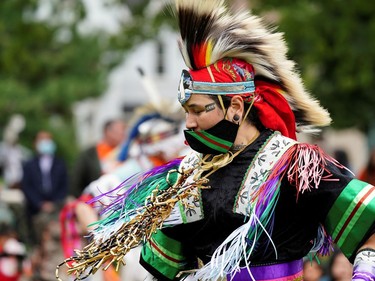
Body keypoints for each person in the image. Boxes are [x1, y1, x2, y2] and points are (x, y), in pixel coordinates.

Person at [58, 1, 375, 281]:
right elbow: (165, 271)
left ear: (236, 107)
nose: (189, 122)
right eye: (186, 111)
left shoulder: (297, 165)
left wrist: (365, 272)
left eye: (198, 110)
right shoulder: (184, 177)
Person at [21, 130, 68, 280]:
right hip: (35, 211)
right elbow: (26, 186)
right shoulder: (29, 165)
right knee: (38, 243)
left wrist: (54, 204)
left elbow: (64, 186)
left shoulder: (60, 164)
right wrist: (39, 204)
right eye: (42, 140)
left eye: (48, 140)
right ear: (35, 143)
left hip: (56, 210)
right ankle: (37, 269)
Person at [69, 119, 126, 198]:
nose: (123, 134)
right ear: (108, 132)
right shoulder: (89, 154)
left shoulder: (125, 153)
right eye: (120, 131)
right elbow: (76, 181)